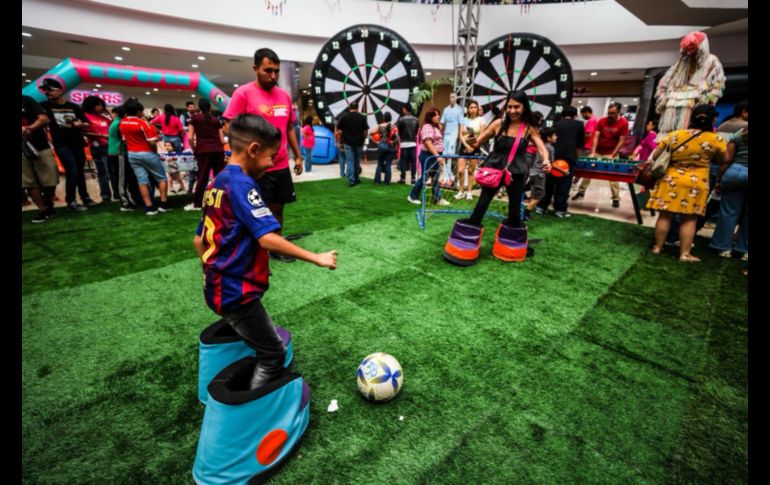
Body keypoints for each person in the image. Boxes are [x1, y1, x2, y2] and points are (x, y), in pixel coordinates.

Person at [193, 114, 337, 390]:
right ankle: (253, 415)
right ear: (254, 150)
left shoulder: (217, 182)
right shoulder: (243, 185)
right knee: (273, 354)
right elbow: (268, 238)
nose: (273, 163)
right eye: (272, 156)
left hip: (216, 287)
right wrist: (316, 258)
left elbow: (198, 241)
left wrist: (212, 269)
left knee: (252, 331)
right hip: (236, 294)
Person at [223, 47, 304, 263]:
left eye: (276, 71)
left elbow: (289, 129)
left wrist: (298, 156)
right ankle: (252, 250)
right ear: (256, 68)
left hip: (278, 165)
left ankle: (275, 246)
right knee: (252, 210)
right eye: (268, 70)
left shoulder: (284, 96)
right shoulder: (243, 93)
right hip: (254, 169)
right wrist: (237, 157)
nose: (273, 76)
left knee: (278, 207)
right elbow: (229, 127)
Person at [644, 104, 728, 262]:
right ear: (713, 119)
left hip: (671, 179)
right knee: (689, 219)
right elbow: (724, 159)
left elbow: (655, 155)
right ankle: (684, 254)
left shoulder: (675, 135)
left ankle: (657, 248)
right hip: (696, 182)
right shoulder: (716, 139)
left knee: (664, 215)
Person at [464, 90, 551, 228]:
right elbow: (476, 143)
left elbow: (542, 149)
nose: (512, 110)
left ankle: (511, 245)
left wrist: (546, 160)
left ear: (524, 108)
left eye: (517, 107)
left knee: (515, 211)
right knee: (481, 205)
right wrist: (470, 141)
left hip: (516, 172)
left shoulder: (528, 128)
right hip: (494, 170)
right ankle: (467, 239)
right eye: (509, 106)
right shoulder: (498, 124)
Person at [39, 78, 97, 211]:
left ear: (60, 90)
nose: (47, 93)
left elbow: (87, 123)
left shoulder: (74, 107)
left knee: (79, 171)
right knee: (72, 170)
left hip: (77, 142)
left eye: (50, 90)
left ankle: (85, 198)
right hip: (61, 144)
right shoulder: (44, 106)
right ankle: (71, 201)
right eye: (45, 91)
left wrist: (81, 124)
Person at [655, 31, 725, 139]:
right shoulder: (681, 63)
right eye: (687, 47)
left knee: (689, 135)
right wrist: (663, 98)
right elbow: (664, 83)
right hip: (671, 107)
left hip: (694, 105)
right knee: (669, 136)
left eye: (693, 47)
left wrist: (705, 102)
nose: (690, 51)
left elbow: (717, 85)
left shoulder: (711, 61)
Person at [119, 97, 171, 215]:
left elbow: (124, 140)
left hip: (132, 154)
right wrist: (155, 151)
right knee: (161, 178)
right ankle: (163, 204)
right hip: (147, 153)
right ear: (138, 111)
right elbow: (152, 142)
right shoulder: (143, 123)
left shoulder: (122, 123)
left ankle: (149, 207)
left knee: (142, 181)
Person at [572, 102, 628, 207]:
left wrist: (613, 154)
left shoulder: (623, 123)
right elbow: (596, 137)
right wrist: (593, 152)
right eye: (609, 112)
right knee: (588, 171)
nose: (610, 115)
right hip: (598, 151)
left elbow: (621, 141)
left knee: (613, 175)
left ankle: (616, 198)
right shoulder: (602, 121)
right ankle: (581, 192)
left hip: (611, 152)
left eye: (613, 113)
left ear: (619, 112)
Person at [709, 125, 748, 260]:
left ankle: (722, 247)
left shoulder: (741, 132)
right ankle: (744, 250)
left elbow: (728, 159)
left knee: (729, 212)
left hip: (736, 171)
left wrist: (719, 179)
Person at [537, 105, 584, 218]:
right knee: (564, 184)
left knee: (549, 183)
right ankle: (560, 210)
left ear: (562, 115)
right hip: (568, 158)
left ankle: (541, 207)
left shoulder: (556, 123)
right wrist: (575, 159)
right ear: (575, 115)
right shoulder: (579, 125)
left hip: (553, 156)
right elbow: (579, 146)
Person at [185, 98, 226, 211]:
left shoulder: (194, 119)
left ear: (199, 107)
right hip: (218, 150)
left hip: (203, 151)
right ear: (210, 107)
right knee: (220, 177)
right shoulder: (216, 120)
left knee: (202, 177)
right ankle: (222, 202)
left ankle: (197, 204)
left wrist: (194, 150)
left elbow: (190, 138)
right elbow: (222, 140)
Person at [22, 95, 57, 223]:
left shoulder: (27, 100)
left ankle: (48, 202)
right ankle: (42, 210)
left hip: (40, 145)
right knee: (29, 182)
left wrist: (29, 128)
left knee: (51, 178)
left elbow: (44, 118)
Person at [407, 107, 450, 206]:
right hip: (429, 156)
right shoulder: (427, 126)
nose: (438, 116)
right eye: (435, 114)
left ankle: (437, 198)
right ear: (430, 117)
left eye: (438, 114)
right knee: (425, 177)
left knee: (435, 178)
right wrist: (437, 156)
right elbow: (428, 143)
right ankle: (412, 196)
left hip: (434, 155)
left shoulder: (435, 127)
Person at [82, 95, 116, 201]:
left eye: (101, 105)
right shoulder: (85, 116)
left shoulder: (104, 117)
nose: (100, 107)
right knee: (103, 172)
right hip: (97, 147)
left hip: (110, 146)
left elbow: (113, 127)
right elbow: (84, 131)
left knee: (113, 171)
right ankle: (105, 195)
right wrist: (102, 136)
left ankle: (117, 193)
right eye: (98, 105)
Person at [108, 105, 141, 211]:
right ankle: (125, 203)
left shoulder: (118, 122)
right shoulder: (119, 124)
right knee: (122, 179)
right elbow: (125, 139)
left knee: (127, 177)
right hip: (119, 153)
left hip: (121, 153)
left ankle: (130, 199)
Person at [455, 99, 485, 201]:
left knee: (471, 170)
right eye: (471, 107)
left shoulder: (481, 120)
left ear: (477, 109)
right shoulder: (463, 119)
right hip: (464, 147)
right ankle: (461, 191)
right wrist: (466, 145)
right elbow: (460, 135)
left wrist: (474, 146)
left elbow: (482, 135)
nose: (473, 109)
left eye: (475, 107)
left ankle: (469, 192)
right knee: (460, 171)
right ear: (468, 109)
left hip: (475, 147)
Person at [525, 127, 555, 220]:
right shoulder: (550, 148)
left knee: (534, 193)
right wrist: (563, 171)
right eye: (554, 135)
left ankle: (523, 209)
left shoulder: (540, 146)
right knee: (539, 195)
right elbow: (551, 163)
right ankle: (526, 212)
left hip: (533, 172)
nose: (556, 137)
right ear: (549, 138)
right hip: (540, 174)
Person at [336, 101, 368, 187]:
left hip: (347, 142)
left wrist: (340, 141)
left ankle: (351, 180)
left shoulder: (344, 117)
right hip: (359, 142)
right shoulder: (362, 117)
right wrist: (363, 139)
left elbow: (339, 131)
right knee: (357, 161)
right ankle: (356, 178)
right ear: (357, 108)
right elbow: (365, 131)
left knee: (350, 161)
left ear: (350, 108)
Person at [439, 92, 464, 186]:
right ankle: (446, 176)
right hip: (446, 134)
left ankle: (449, 177)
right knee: (445, 155)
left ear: (456, 98)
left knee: (450, 155)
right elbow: (442, 122)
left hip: (454, 134)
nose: (451, 98)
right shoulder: (446, 109)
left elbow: (461, 123)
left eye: (453, 97)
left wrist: (460, 136)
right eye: (450, 97)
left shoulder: (459, 109)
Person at [371, 112, 399, 185]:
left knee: (379, 164)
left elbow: (370, 132)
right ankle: (387, 182)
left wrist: (376, 141)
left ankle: (377, 181)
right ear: (390, 118)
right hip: (391, 146)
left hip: (382, 145)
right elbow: (397, 138)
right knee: (388, 164)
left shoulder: (380, 126)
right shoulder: (394, 126)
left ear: (384, 118)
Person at [396, 103, 419, 184]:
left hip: (404, 143)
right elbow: (416, 132)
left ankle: (403, 178)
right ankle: (413, 179)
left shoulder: (401, 120)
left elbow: (399, 132)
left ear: (405, 109)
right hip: (413, 143)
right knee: (413, 162)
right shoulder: (416, 119)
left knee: (403, 161)